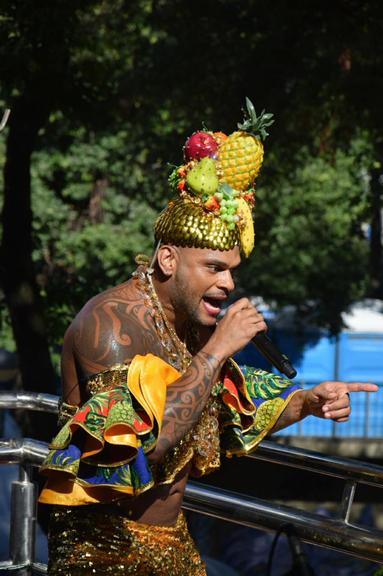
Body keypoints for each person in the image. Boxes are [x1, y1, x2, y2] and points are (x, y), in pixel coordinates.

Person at [38, 99, 378, 575]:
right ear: (169, 260)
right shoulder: (109, 326)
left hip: (174, 540)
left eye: (232, 271)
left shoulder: (189, 324)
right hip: (102, 550)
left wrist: (306, 403)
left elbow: (218, 413)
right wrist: (218, 348)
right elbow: (144, 445)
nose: (228, 284)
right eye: (214, 269)